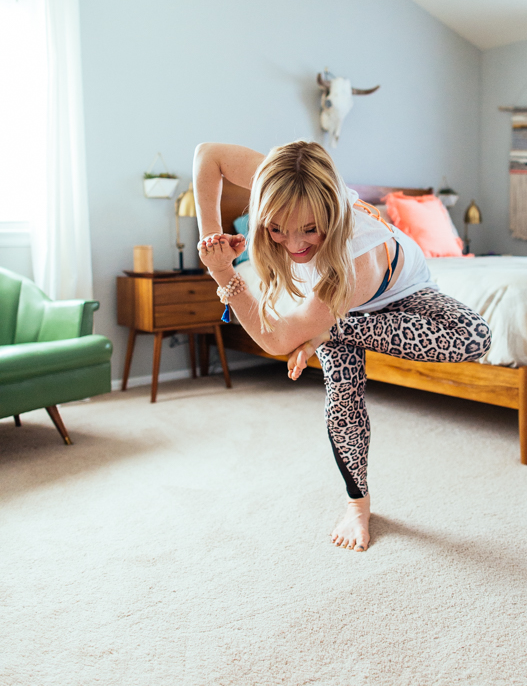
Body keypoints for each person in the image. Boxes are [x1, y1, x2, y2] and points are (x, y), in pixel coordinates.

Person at [193, 140, 491, 552]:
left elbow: (276, 339)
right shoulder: (283, 179)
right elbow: (209, 154)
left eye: (310, 229)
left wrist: (223, 272)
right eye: (276, 228)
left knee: (474, 336)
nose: (294, 245)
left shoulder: (353, 265)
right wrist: (212, 239)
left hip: (401, 293)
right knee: (343, 399)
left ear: (332, 211)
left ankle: (334, 331)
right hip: (336, 308)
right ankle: (357, 506)